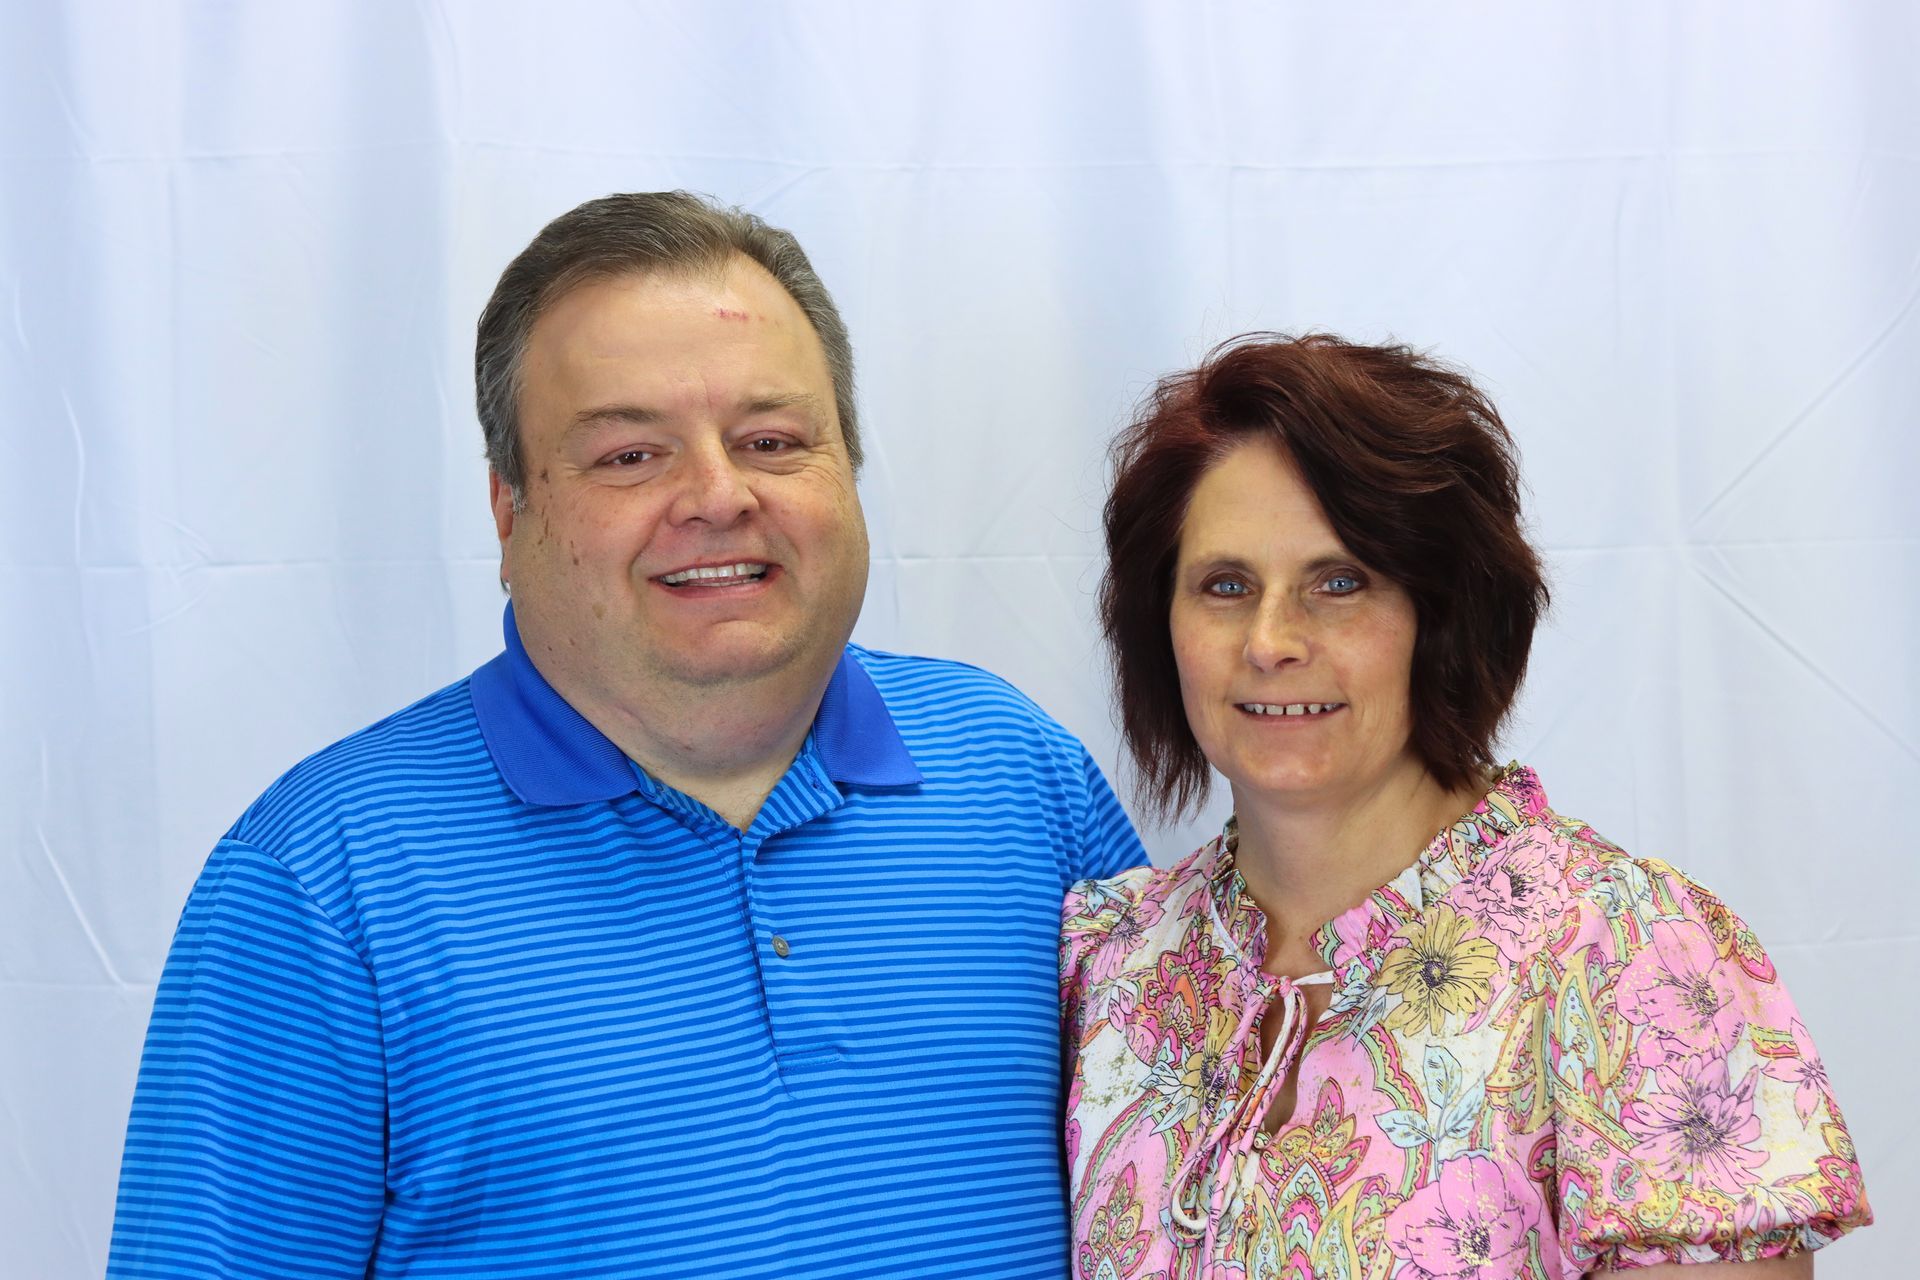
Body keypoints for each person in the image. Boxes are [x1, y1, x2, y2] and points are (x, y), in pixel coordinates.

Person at [108, 191, 1145, 1279]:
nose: (716, 494)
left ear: (849, 471)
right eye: (628, 456)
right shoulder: (321, 881)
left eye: (773, 439)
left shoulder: (1022, 778)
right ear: (510, 510)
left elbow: (1194, 1192)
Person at [1062, 335, 1870, 1278]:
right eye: (1226, 586)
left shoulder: (1624, 960)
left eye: (1340, 582)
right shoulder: (1112, 958)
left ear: (1445, 616)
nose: (1272, 639)